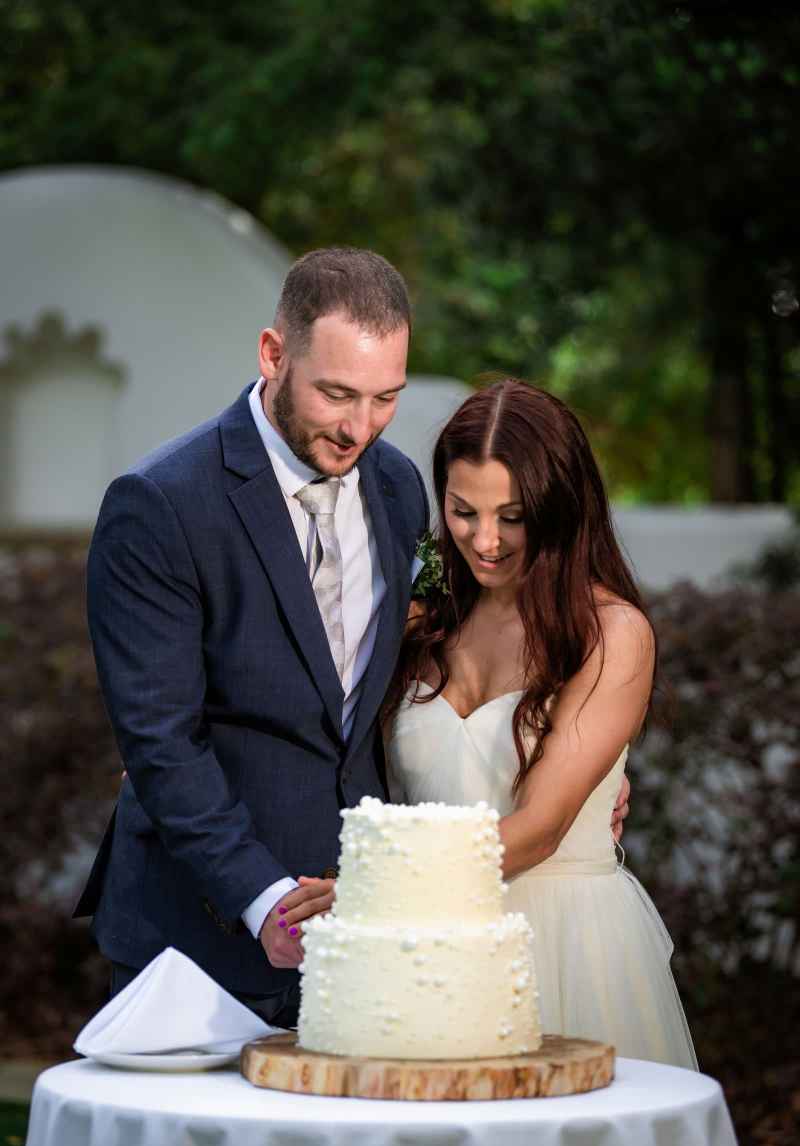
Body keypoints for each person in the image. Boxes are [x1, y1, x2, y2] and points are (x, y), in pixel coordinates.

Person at [75, 249, 629, 1025]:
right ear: (274, 354)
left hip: (377, 942)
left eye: (385, 398)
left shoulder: (399, 487)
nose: (359, 427)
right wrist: (264, 900)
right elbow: (163, 742)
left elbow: (417, 665)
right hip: (199, 935)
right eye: (337, 394)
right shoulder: (160, 504)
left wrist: (565, 761)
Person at [382, 378, 697, 1068]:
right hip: (425, 942)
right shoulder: (422, 619)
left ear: (560, 509)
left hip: (562, 946)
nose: (485, 540)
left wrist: (372, 882)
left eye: (513, 516)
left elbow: (541, 828)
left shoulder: (611, 634)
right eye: (463, 511)